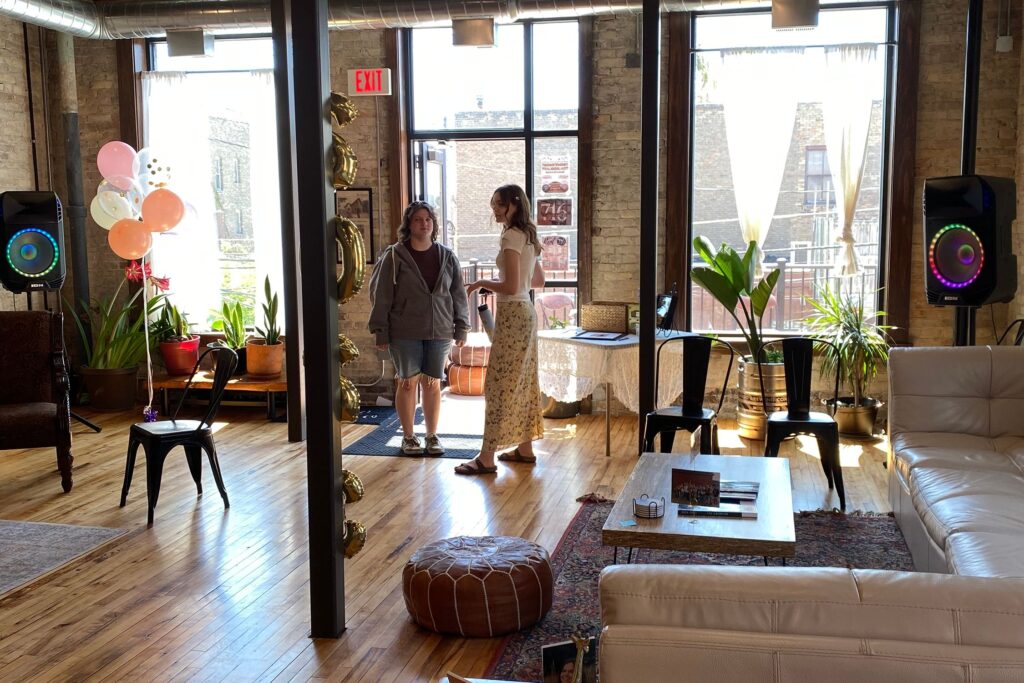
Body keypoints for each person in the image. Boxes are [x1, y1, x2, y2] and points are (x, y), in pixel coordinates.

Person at [456, 184, 546, 475]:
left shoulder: (510, 235)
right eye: (493, 204)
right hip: (526, 314)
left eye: (499, 205)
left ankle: (486, 457)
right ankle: (524, 447)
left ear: (514, 206)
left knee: (497, 386)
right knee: (522, 381)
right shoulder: (529, 235)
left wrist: (481, 283)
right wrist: (507, 280)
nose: (494, 210)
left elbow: (509, 287)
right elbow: (538, 282)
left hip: (512, 315)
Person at [368, 201, 469, 455]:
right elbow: (382, 294)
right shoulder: (394, 255)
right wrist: (381, 329)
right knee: (408, 383)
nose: (424, 223)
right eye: (418, 219)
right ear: (409, 225)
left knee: (433, 383)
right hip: (404, 330)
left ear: (433, 225)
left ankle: (432, 436)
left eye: (428, 219)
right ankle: (409, 437)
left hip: (440, 330)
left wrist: (462, 326)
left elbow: (458, 294)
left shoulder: (447, 256)